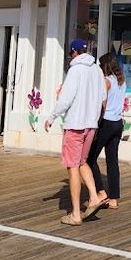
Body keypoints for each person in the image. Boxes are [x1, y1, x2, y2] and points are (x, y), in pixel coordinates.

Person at [44, 39, 105, 226]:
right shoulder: (97, 70)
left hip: (75, 124)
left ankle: (76, 214)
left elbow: (66, 99)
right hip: (91, 124)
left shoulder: (75, 70)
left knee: (72, 167)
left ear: (74, 53)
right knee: (82, 162)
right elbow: (103, 98)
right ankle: (94, 197)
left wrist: (52, 116)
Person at [87, 53, 125, 210]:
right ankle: (114, 198)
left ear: (105, 66)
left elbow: (101, 104)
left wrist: (96, 123)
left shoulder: (106, 81)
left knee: (89, 158)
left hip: (106, 123)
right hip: (118, 123)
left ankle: (101, 192)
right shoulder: (122, 82)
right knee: (112, 161)